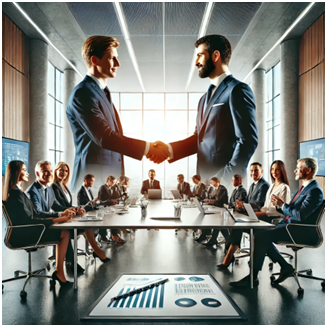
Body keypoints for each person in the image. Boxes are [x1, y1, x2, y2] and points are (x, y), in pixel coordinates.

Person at [148, 34, 258, 185]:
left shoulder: (238, 90)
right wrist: (168, 149)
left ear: (215, 55)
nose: (196, 62)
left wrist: (226, 179)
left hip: (226, 185)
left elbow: (247, 141)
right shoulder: (202, 100)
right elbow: (198, 139)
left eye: (200, 55)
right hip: (205, 183)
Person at [66, 35, 168, 192]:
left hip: (106, 183)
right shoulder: (83, 93)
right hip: (92, 184)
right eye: (112, 58)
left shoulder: (102, 92)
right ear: (95, 60)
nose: (118, 64)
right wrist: (149, 148)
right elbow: (105, 137)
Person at [229, 157, 324, 288]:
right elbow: (292, 210)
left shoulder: (315, 190)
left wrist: (283, 205)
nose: (295, 170)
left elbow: (300, 215)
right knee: (260, 233)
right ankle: (283, 267)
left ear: (308, 170)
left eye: (298, 168)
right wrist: (281, 206)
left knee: (261, 236)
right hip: (289, 226)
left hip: (300, 231)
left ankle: (253, 277)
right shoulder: (304, 188)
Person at [3, 161, 73, 286]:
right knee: (64, 233)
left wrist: (59, 215)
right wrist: (55, 220)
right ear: (16, 172)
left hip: (23, 232)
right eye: (24, 169)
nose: (27, 172)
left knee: (64, 231)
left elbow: (36, 213)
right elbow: (29, 220)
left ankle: (59, 271)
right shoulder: (16, 194)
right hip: (23, 235)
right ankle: (59, 273)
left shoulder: (17, 192)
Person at [217, 160, 290, 269]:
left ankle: (230, 257)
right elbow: (265, 206)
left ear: (261, 171)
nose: (274, 172)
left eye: (277, 169)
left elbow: (279, 210)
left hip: (273, 219)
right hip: (264, 215)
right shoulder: (271, 186)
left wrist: (257, 213)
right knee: (238, 226)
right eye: (273, 169)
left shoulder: (282, 187)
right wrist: (243, 205)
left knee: (257, 235)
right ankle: (230, 255)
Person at [25, 161, 85, 274]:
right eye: (45, 171)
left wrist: (74, 210)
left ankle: (66, 264)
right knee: (66, 231)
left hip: (48, 223)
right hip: (39, 227)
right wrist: (59, 214)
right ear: (37, 174)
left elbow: (56, 205)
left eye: (50, 171)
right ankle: (68, 264)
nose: (49, 174)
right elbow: (38, 213)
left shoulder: (48, 189)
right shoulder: (32, 191)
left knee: (70, 229)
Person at [196, 177, 229, 247]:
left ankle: (214, 238)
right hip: (216, 208)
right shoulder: (215, 189)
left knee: (217, 222)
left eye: (212, 182)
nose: (211, 183)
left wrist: (212, 201)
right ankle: (207, 236)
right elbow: (212, 198)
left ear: (217, 182)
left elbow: (219, 201)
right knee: (207, 217)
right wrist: (209, 200)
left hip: (221, 209)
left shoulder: (222, 188)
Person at [98, 176, 124, 244]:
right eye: (112, 182)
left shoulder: (110, 188)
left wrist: (114, 200)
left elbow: (114, 197)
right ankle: (112, 236)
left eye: (114, 182)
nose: (113, 183)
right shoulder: (103, 187)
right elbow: (101, 200)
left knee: (116, 218)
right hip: (103, 208)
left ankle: (115, 235)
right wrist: (111, 201)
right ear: (108, 181)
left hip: (108, 207)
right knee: (113, 218)